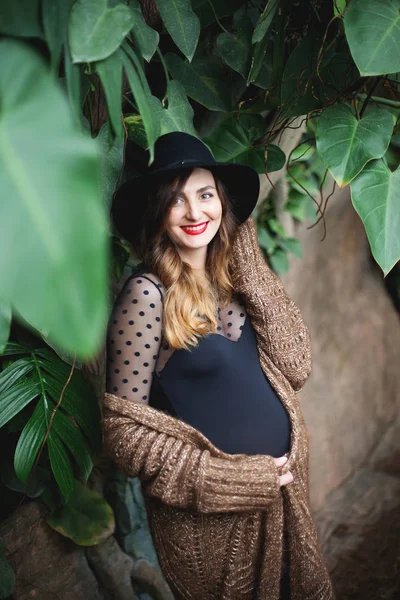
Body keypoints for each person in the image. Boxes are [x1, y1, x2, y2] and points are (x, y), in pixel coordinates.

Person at [101, 132, 335, 600]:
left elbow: (296, 364)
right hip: (211, 524)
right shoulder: (147, 296)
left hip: (284, 504)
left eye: (206, 195)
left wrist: (245, 256)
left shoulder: (235, 284)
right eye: (177, 200)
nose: (194, 213)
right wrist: (229, 480)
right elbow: (122, 436)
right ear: (156, 212)